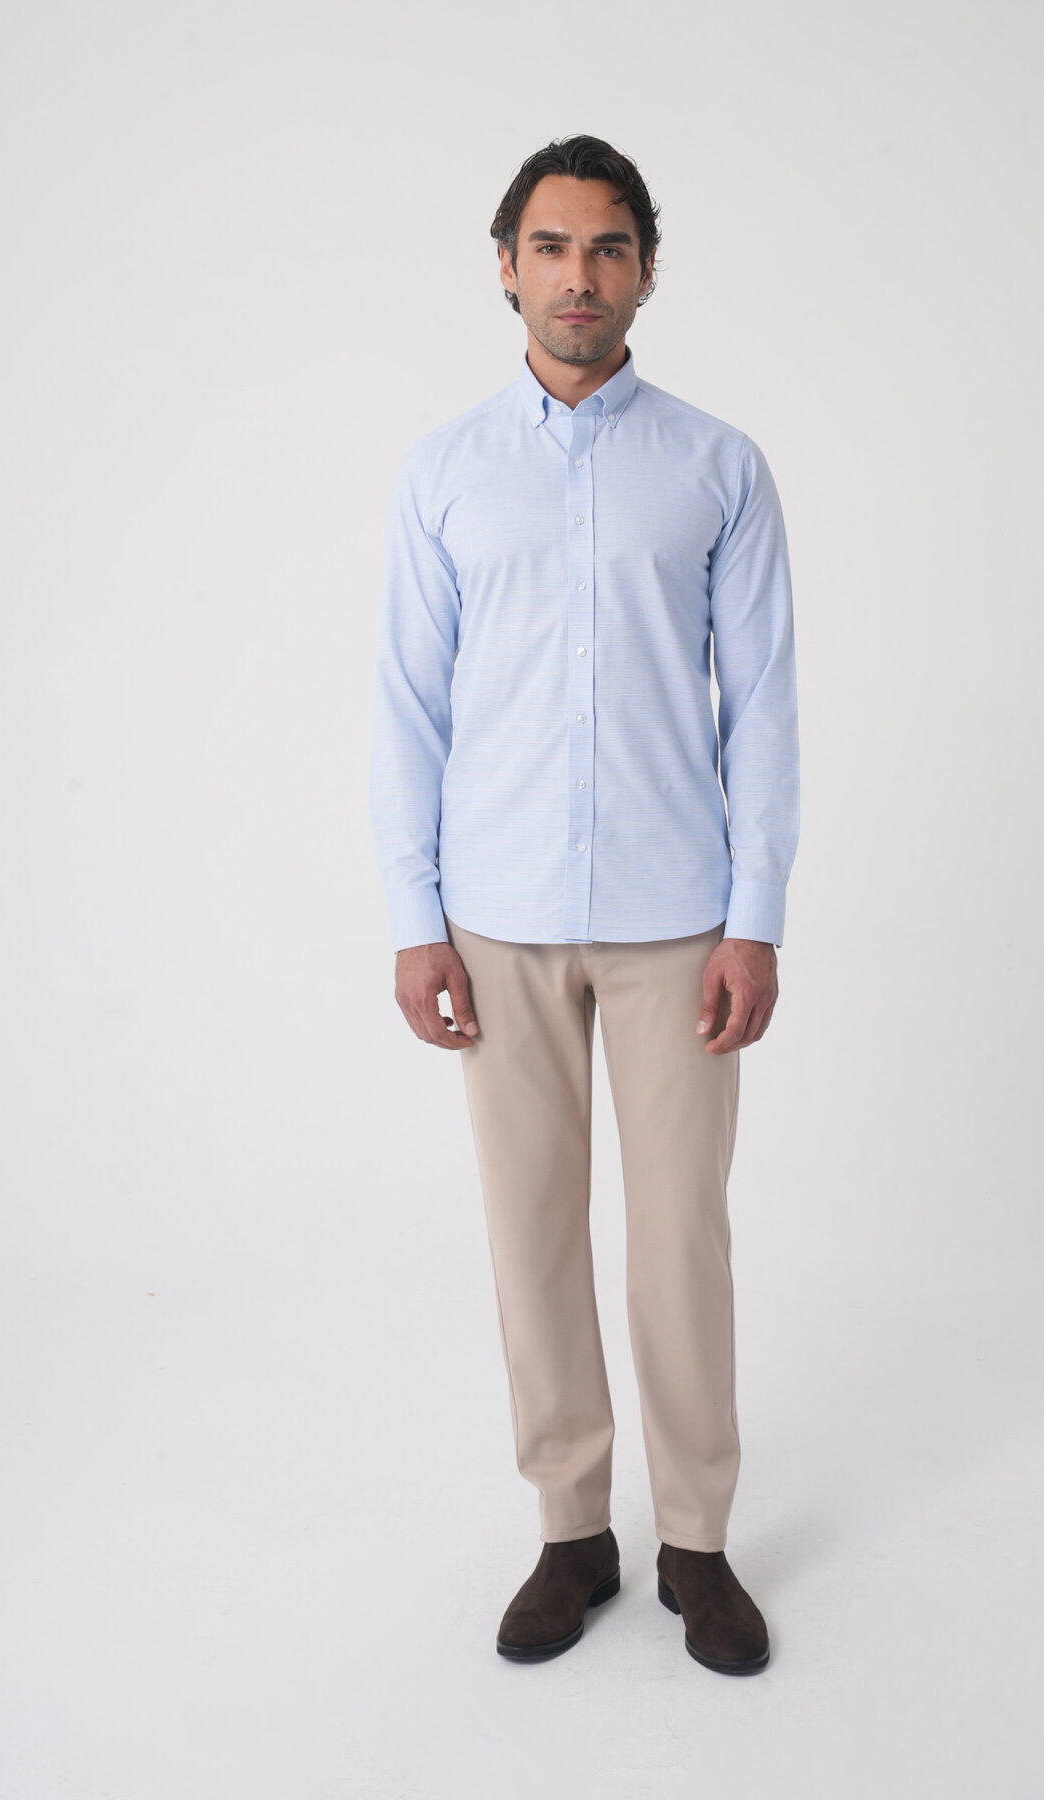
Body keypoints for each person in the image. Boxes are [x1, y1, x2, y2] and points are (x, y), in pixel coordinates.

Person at [369, 134, 799, 1676]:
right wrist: (415, 916)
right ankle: (571, 1531)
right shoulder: (444, 473)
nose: (578, 275)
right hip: (494, 918)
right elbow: (408, 708)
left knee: (680, 1239)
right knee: (531, 1233)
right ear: (506, 266)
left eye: (608, 247)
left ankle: (696, 1541)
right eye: (549, 246)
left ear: (645, 272)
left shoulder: (718, 468)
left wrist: (756, 916)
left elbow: (765, 704)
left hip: (680, 921)